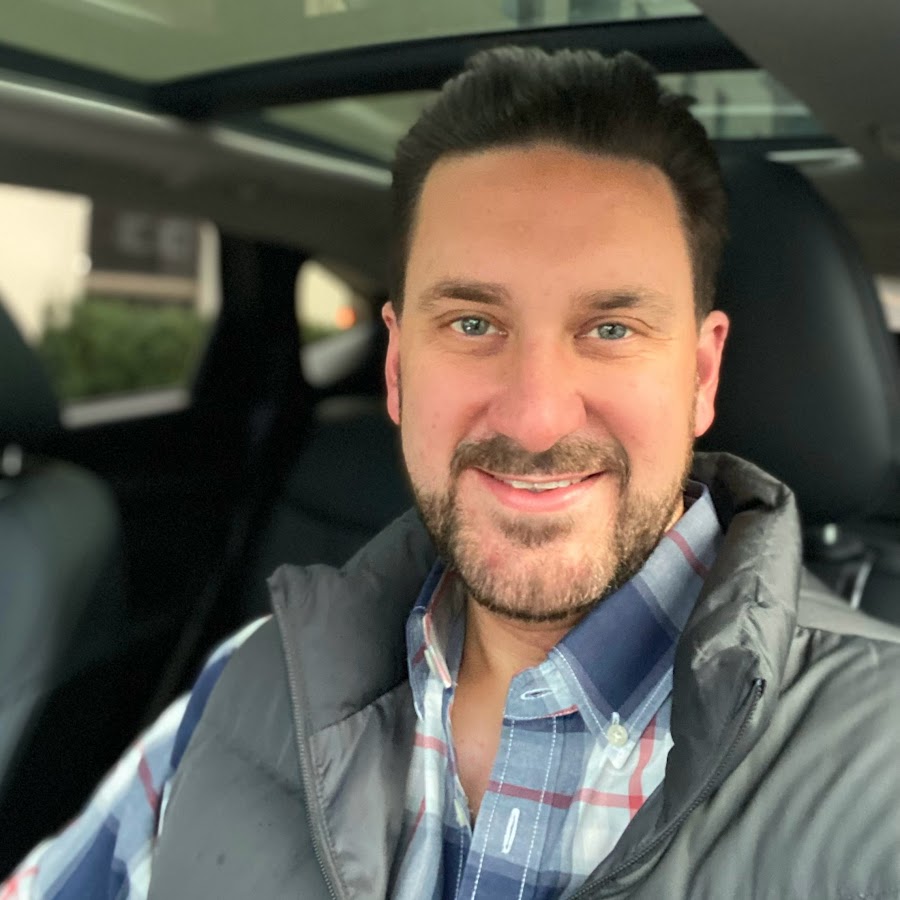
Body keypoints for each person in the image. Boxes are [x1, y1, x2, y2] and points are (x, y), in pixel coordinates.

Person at [4, 45, 900, 900]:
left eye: (610, 329)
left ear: (700, 376)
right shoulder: (255, 683)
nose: (536, 418)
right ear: (397, 368)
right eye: (473, 324)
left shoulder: (881, 770)